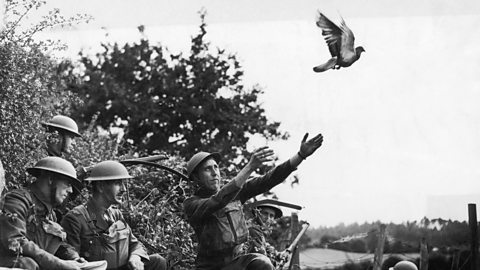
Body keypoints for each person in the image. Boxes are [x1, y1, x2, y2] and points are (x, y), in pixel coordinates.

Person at [183, 132, 323, 270]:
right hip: (210, 268)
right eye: (207, 169)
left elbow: (269, 179)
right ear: (195, 177)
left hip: (235, 264)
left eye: (216, 167)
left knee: (262, 263)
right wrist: (249, 167)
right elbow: (218, 200)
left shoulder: (236, 193)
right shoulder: (192, 204)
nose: (215, 173)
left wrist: (300, 155)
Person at [62, 160, 167, 270]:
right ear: (101, 186)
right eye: (117, 183)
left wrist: (135, 257)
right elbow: (72, 260)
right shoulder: (76, 218)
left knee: (158, 261)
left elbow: (134, 243)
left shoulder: (116, 214)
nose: (124, 189)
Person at [0, 156, 85, 270]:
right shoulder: (17, 201)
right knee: (27, 264)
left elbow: (58, 245)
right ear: (50, 179)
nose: (70, 190)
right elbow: (15, 242)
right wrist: (58, 263)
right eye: (67, 183)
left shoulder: (49, 213)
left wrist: (73, 258)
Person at [245, 202, 288, 267]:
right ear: (257, 214)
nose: (268, 218)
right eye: (265, 214)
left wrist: (280, 255)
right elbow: (262, 258)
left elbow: (267, 248)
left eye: (271, 216)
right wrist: (277, 263)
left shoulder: (260, 232)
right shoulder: (252, 230)